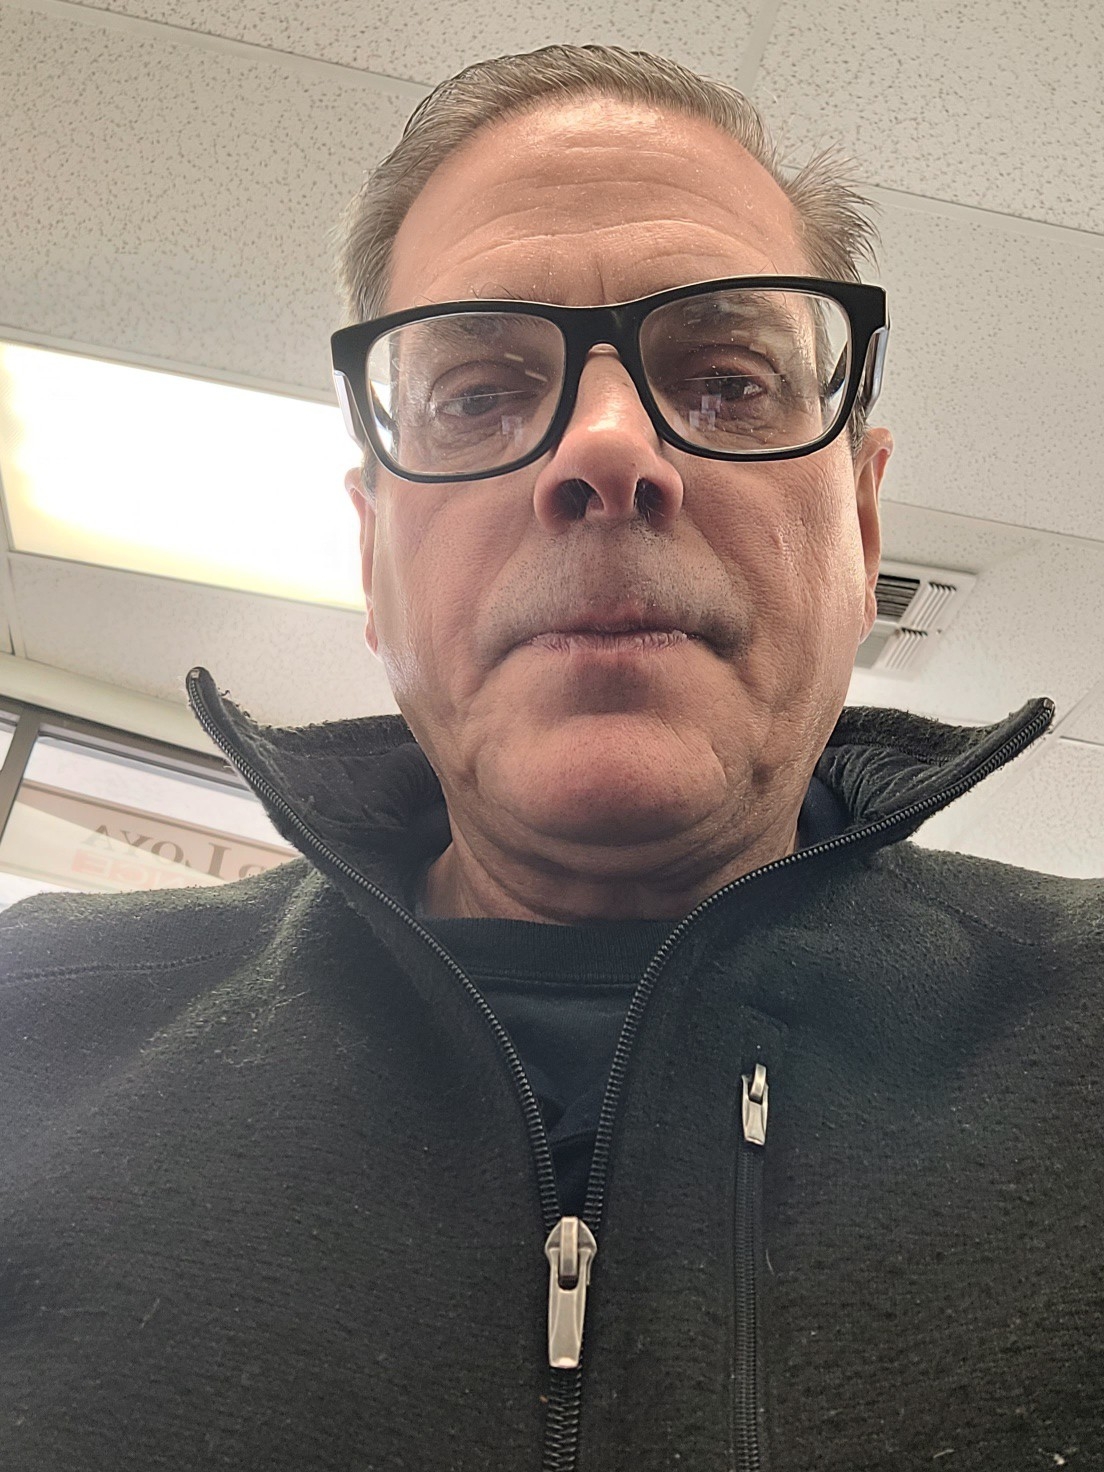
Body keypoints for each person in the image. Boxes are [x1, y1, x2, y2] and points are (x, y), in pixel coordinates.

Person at [1, 42, 1099, 1472]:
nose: (608, 447)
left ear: (864, 526)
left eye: (727, 381)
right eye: (478, 394)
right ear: (374, 560)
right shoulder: (31, 1029)